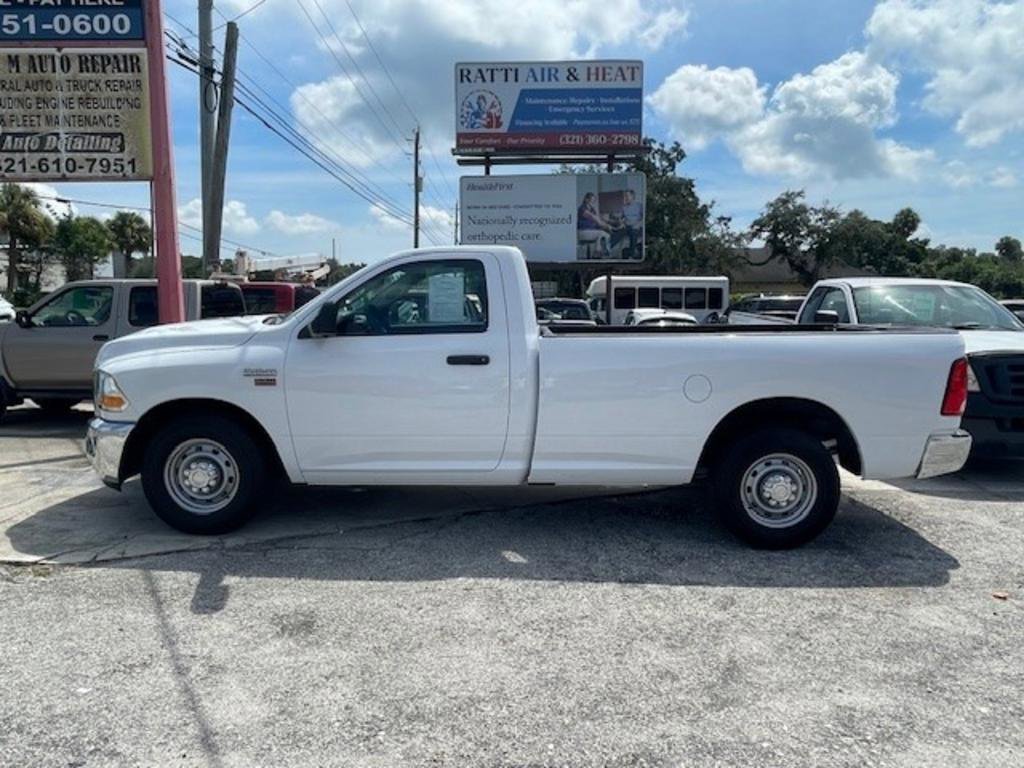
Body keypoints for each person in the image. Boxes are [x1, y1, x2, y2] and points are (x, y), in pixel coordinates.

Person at [610, 189, 644, 259]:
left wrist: (638, 224)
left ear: (632, 196)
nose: (626, 198)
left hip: (636, 226)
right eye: (625, 196)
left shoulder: (639, 206)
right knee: (618, 232)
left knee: (633, 231)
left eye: (627, 196)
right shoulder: (624, 207)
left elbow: (643, 218)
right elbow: (621, 218)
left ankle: (631, 254)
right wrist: (619, 221)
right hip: (626, 226)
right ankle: (607, 248)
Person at [576, 192, 612, 259]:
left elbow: (598, 222)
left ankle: (599, 253)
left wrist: (606, 226)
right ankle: (597, 253)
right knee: (602, 233)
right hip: (583, 232)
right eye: (591, 200)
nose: (593, 202)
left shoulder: (592, 210)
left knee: (606, 235)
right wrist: (606, 225)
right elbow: (595, 219)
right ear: (586, 199)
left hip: (591, 231)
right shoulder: (582, 209)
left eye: (594, 201)